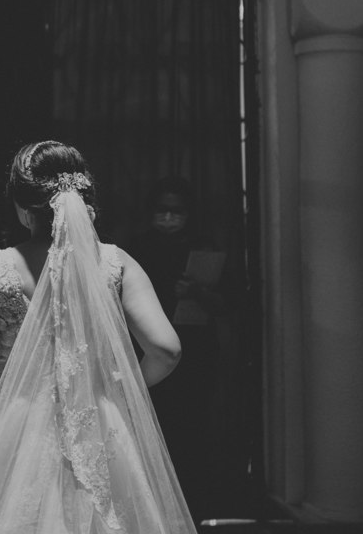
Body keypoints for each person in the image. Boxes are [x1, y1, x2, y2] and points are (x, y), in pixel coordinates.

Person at [0, 141, 196, 533]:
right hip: (99, 431)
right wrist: (114, 388)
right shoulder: (117, 264)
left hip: (13, 439)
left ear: (20, 205)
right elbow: (166, 351)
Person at [127, 176, 242, 521]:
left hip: (194, 352)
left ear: (188, 213)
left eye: (176, 211)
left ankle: (193, 504)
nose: (168, 217)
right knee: (150, 425)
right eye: (161, 210)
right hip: (147, 355)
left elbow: (230, 302)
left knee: (192, 429)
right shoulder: (138, 249)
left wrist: (197, 293)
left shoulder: (203, 248)